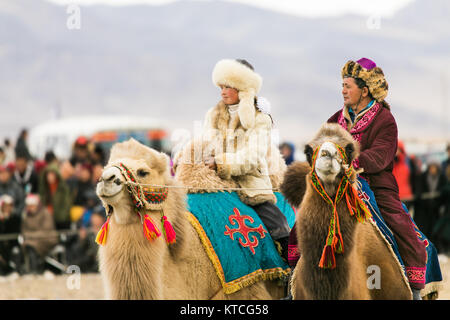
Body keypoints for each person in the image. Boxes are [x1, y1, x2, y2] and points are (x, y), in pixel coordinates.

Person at [327, 57, 427, 299]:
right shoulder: (335, 119)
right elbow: (321, 143)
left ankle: (413, 289)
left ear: (364, 90)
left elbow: (381, 154)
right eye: (342, 85)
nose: (343, 90)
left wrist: (351, 162)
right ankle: (293, 278)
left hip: (375, 185)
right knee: (306, 221)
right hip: (337, 184)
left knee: (402, 225)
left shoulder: (384, 120)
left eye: (347, 86)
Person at [201, 58, 290, 259]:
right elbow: (204, 144)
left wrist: (221, 163)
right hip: (216, 183)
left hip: (251, 186)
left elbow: (252, 156)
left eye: (229, 86)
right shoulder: (212, 115)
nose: (223, 91)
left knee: (281, 229)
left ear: (243, 88)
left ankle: (293, 276)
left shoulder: (261, 119)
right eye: (221, 86)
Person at [20, 194, 58, 274]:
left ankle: (34, 269)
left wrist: (31, 235)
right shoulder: (26, 216)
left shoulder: (45, 213)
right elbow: (24, 231)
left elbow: (46, 231)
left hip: (47, 239)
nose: (30, 208)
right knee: (28, 246)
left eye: (32, 206)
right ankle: (30, 269)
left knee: (30, 245)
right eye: (29, 206)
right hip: (33, 241)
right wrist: (30, 236)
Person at [414, 162, 446, 244]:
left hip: (436, 207)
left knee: (435, 228)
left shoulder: (441, 177)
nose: (432, 170)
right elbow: (419, 191)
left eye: (434, 167)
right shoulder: (423, 177)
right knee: (425, 227)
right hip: (424, 207)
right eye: (431, 168)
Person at [39, 164, 72, 230]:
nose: (50, 177)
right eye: (48, 175)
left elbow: (66, 204)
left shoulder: (63, 188)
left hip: (61, 220)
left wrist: (59, 216)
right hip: (46, 219)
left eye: (52, 174)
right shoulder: (44, 189)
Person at [393, 140, 413, 207]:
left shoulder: (408, 161)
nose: (396, 151)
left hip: (406, 197)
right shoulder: (388, 163)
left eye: (398, 149)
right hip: (393, 197)